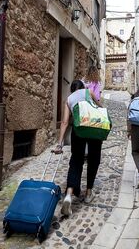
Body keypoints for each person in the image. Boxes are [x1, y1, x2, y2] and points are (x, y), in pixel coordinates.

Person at [53, 80, 103, 216]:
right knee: (94, 160)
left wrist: (60, 143)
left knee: (75, 161)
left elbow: (64, 122)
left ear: (71, 90)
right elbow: (100, 107)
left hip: (78, 131)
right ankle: (88, 193)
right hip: (93, 129)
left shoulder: (69, 99)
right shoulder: (89, 92)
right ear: (82, 87)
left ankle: (69, 195)